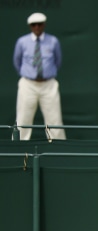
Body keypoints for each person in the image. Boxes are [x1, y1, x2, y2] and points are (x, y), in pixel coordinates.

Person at [13, 12, 66, 141]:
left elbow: (58, 61)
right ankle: (20, 149)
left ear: (44, 25)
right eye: (33, 25)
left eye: (39, 24)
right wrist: (28, 74)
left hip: (48, 84)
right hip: (28, 84)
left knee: (54, 119)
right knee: (23, 118)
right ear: (30, 26)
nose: (37, 27)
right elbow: (17, 61)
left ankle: (57, 148)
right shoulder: (22, 42)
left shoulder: (53, 41)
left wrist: (47, 74)